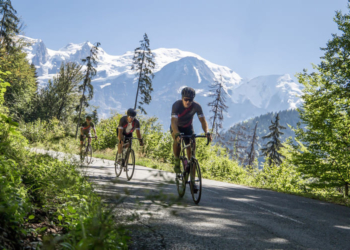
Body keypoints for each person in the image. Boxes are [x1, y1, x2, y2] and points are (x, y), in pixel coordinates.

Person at [170, 87, 212, 191]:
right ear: (182, 98)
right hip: (176, 127)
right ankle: (176, 160)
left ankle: (193, 181)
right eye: (186, 99)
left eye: (190, 100)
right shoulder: (176, 105)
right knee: (177, 140)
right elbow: (174, 122)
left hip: (188, 128)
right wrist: (177, 134)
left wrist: (206, 132)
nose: (188, 102)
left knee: (192, 156)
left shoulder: (197, 106)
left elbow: (203, 121)